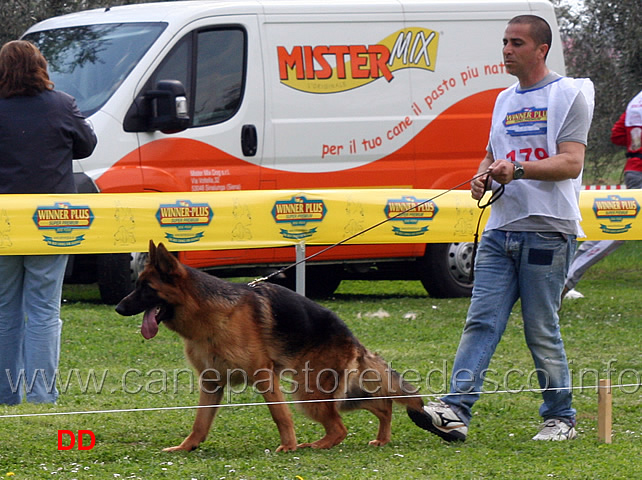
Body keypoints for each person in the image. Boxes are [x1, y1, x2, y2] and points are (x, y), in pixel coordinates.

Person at [407, 15, 594, 441]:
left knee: (540, 328)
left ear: (541, 49)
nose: (507, 49)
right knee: (480, 321)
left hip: (548, 231)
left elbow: (571, 163)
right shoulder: (503, 99)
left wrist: (519, 169)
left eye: (517, 42)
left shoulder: (568, 96)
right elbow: (494, 154)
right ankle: (455, 410)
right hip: (499, 228)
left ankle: (560, 417)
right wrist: (482, 177)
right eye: (505, 42)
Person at [0, 40, 97, 404]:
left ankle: (6, 396)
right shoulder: (63, 104)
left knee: (4, 310)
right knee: (43, 310)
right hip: (52, 222)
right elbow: (87, 145)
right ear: (41, 66)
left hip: (3, 222)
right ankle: (42, 395)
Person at [562, 89, 642, 300]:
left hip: (634, 169)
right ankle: (567, 279)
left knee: (616, 229)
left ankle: (566, 275)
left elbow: (616, 135)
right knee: (620, 231)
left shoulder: (635, 103)